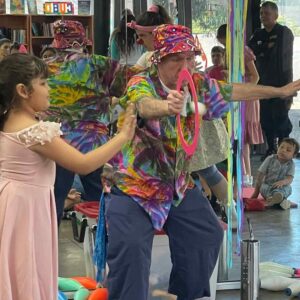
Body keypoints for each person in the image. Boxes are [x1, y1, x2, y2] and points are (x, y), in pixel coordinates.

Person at [105, 24, 300, 300]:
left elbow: (234, 91)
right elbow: (143, 105)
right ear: (158, 60)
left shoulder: (195, 84)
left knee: (206, 234)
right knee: (131, 249)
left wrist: (280, 91)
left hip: (177, 185)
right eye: (176, 59)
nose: (185, 65)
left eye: (189, 58)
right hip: (134, 186)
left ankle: (185, 295)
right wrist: (166, 107)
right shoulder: (141, 81)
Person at [0, 53, 136, 300]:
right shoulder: (35, 131)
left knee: (18, 265)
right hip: (25, 206)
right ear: (22, 90)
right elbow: (82, 164)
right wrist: (123, 136)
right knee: (26, 266)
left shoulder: (12, 119)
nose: (49, 89)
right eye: (43, 83)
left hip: (15, 202)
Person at [248, 1, 294, 159]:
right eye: (261, 13)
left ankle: (285, 151)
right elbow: (250, 51)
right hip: (262, 85)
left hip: (282, 84)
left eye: (266, 13)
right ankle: (271, 149)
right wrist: (263, 50)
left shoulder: (284, 32)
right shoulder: (258, 34)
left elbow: (283, 59)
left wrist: (289, 91)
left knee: (281, 120)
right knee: (266, 120)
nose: (263, 16)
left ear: (276, 15)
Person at [251, 138, 299, 210]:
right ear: (278, 147)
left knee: (288, 188)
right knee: (263, 187)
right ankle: (280, 201)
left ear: (294, 155)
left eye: (288, 150)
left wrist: (283, 182)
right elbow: (260, 174)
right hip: (268, 186)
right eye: (281, 147)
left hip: (281, 188)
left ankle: (275, 199)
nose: (283, 150)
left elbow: (290, 178)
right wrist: (256, 192)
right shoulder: (270, 159)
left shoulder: (291, 164)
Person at [128, 4, 173, 68]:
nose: (139, 41)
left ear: (157, 34)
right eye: (138, 36)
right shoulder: (148, 56)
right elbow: (133, 72)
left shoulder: (176, 57)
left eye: (142, 35)